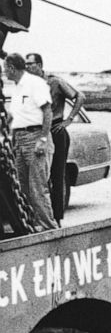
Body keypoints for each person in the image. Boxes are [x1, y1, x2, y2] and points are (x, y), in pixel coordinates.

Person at [25, 53, 85, 224]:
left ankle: (57, 218)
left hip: (56, 130)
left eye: (30, 64)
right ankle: (39, 219)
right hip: (37, 133)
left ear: (39, 65)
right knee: (37, 178)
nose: (27, 67)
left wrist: (69, 119)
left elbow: (80, 96)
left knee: (57, 176)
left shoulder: (55, 82)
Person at [2, 53, 57, 231]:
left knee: (37, 188)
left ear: (12, 68)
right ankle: (34, 226)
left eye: (5, 69)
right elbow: (15, 118)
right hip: (19, 139)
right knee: (22, 187)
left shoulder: (35, 84)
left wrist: (42, 139)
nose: (4, 73)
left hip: (35, 137)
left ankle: (49, 228)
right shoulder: (16, 88)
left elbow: (47, 111)